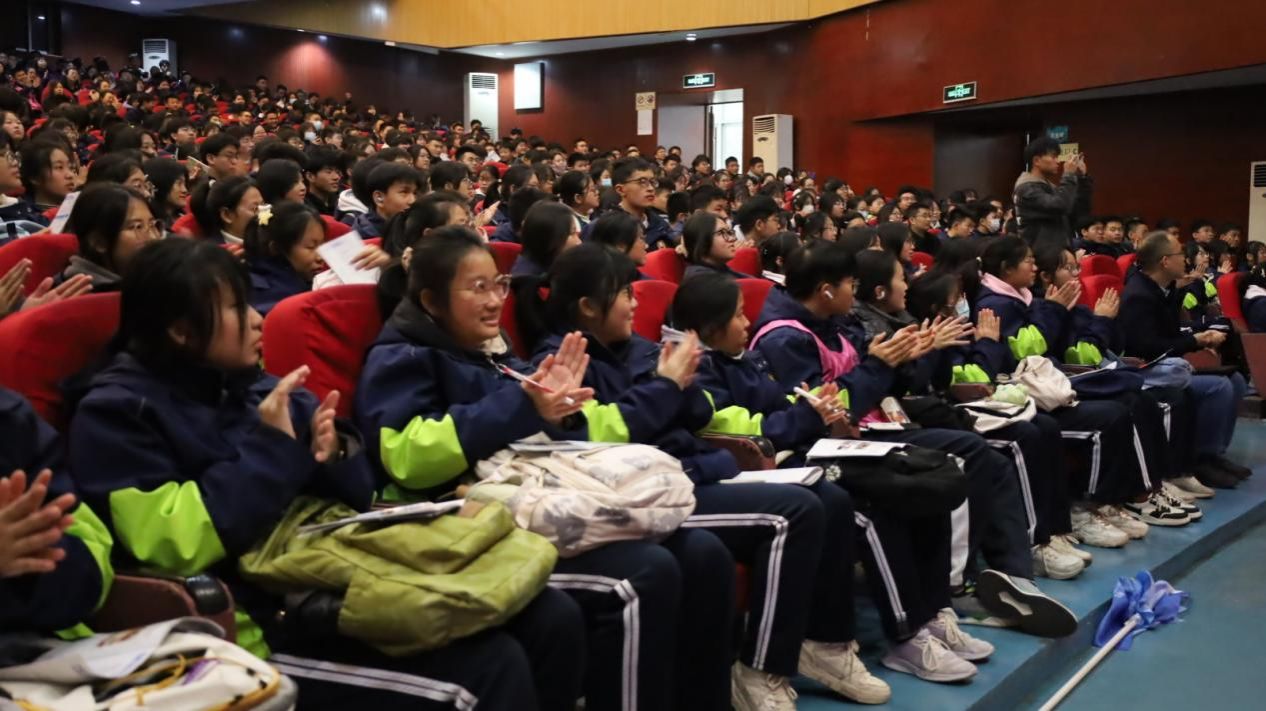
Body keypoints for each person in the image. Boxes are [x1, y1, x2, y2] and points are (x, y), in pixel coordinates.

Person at [68, 238, 583, 710]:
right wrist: (273, 451)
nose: (256, 320)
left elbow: (361, 490)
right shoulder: (117, 415)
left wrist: (333, 452)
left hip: (337, 561)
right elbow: (173, 545)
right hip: (260, 615)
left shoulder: (248, 383)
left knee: (550, 616)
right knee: (488, 668)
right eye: (235, 308)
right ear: (180, 331)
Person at [355, 229, 732, 711]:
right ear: (431, 300)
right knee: (643, 574)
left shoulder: (492, 353)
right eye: (477, 288)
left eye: (499, 285)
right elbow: (405, 458)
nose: (495, 301)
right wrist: (522, 405)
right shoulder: (402, 356)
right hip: (466, 522)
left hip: (537, 499)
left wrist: (559, 413)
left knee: (702, 553)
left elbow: (552, 429)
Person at [515, 242, 882, 709]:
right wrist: (667, 386)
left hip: (682, 474)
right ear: (588, 307)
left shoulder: (637, 349)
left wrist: (679, 383)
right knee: (792, 512)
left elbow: (696, 416)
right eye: (624, 293)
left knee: (828, 499)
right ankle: (762, 669)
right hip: (638, 492)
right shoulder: (562, 362)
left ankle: (825, 644)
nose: (635, 304)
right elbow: (614, 440)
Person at [674, 272, 990, 688]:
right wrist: (810, 413)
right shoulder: (702, 373)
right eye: (737, 316)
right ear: (709, 326)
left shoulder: (746, 359)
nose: (747, 323)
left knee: (920, 485)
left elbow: (787, 403)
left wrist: (819, 407)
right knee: (870, 512)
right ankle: (907, 635)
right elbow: (751, 431)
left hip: (812, 446)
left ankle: (933, 613)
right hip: (765, 467)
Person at [749, 240, 1077, 637]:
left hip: (876, 425)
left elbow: (890, 385)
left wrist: (915, 355)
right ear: (826, 291)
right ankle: (952, 588)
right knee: (957, 460)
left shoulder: (837, 324)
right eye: (850, 283)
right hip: (831, 443)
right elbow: (825, 411)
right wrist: (881, 365)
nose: (855, 292)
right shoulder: (785, 338)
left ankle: (1012, 575)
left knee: (987, 459)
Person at [1120, 232, 1250, 489]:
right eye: (1181, 255)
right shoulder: (1139, 295)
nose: (1186, 260)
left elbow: (1170, 333)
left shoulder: (1163, 289)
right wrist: (1195, 341)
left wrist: (1199, 336)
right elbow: (1147, 347)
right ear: (1165, 261)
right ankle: (1199, 459)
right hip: (1147, 371)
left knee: (1236, 380)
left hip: (1167, 364)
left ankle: (1214, 454)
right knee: (1218, 387)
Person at [1, 386, 114, 634]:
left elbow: (90, 576)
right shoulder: (115, 407)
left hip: (37, 646)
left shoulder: (10, 420)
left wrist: (30, 555)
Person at [59, 183, 159, 293]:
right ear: (98, 242)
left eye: (152, 225)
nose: (153, 237)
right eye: (137, 227)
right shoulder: (77, 295)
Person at [244, 201, 325, 316]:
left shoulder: (307, 281)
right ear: (276, 248)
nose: (321, 257)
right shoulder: (267, 298)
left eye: (322, 246)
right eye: (310, 247)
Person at [1013, 137, 1091, 253]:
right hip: (1040, 255)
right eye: (1053, 157)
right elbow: (1060, 206)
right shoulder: (1026, 189)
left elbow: (1077, 212)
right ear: (1036, 161)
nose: (1058, 161)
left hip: (1058, 253)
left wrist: (1082, 179)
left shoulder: (1048, 187)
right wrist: (1068, 175)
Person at [350, 162, 421, 239]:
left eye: (415, 193)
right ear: (379, 198)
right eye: (404, 192)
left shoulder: (414, 229)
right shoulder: (359, 241)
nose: (413, 201)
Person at [511, 201, 581, 277]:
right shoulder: (530, 280)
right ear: (550, 238)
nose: (579, 242)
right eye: (572, 233)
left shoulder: (552, 267)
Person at [190, 175, 262, 245]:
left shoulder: (263, 240)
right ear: (227, 215)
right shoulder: (213, 251)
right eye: (255, 208)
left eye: (263, 204)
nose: (264, 212)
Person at [681, 211, 748, 280]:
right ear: (702, 240)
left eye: (729, 232)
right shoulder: (700, 279)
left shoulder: (724, 271)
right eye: (721, 233)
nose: (731, 239)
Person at [19, 137, 76, 217]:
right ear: (35, 178)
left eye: (70, 167)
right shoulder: (26, 219)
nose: (70, 175)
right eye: (59, 167)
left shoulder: (79, 207)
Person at [143, 156, 188, 234]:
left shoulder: (186, 218)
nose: (185, 190)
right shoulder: (152, 225)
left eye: (184, 184)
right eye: (179, 183)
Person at [303, 146, 343, 216]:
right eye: (328, 172)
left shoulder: (342, 201)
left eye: (337, 172)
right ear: (310, 176)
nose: (336, 177)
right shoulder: (304, 209)